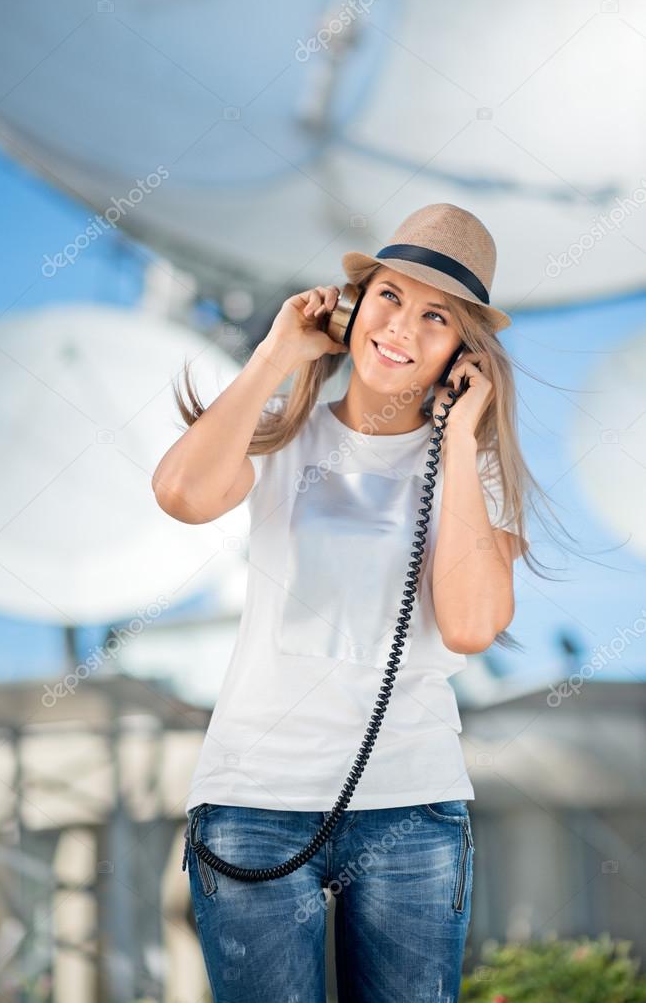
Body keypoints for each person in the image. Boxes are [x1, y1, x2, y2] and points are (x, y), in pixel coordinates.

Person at [152, 204, 549, 1002]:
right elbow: (182, 494)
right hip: (253, 800)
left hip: (408, 805)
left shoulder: (477, 474)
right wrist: (275, 353)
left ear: (462, 352)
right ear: (351, 307)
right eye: (389, 298)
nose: (401, 326)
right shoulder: (278, 438)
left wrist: (461, 431)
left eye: (435, 316)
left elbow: (470, 624)